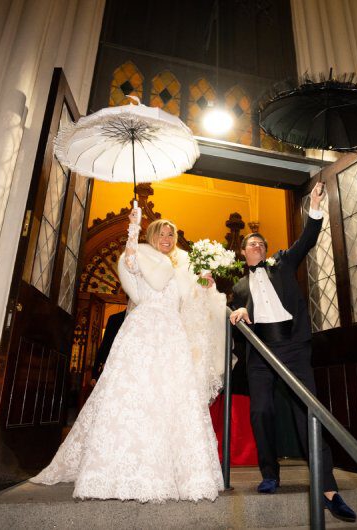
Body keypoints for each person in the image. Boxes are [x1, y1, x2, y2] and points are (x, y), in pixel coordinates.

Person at [31, 206, 226, 502]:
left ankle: (174, 472)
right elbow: (132, 266)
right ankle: (117, 470)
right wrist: (132, 229)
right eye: (161, 232)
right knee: (133, 395)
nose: (167, 237)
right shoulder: (141, 255)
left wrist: (205, 285)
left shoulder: (179, 267)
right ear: (151, 235)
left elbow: (191, 302)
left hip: (172, 334)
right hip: (143, 330)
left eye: (171, 233)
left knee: (169, 398)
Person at [229, 181, 357, 523]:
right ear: (243, 253)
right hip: (259, 353)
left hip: (293, 348)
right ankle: (270, 474)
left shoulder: (283, 263)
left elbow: (307, 240)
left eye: (259, 242)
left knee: (308, 413)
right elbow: (233, 316)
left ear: (265, 250)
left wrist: (313, 208)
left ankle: (328, 489)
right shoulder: (239, 287)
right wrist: (238, 314)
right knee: (263, 412)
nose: (255, 245)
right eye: (250, 244)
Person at [89, 310, 126, 386]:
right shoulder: (115, 319)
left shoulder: (144, 319)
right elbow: (105, 343)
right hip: (111, 368)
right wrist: (95, 375)